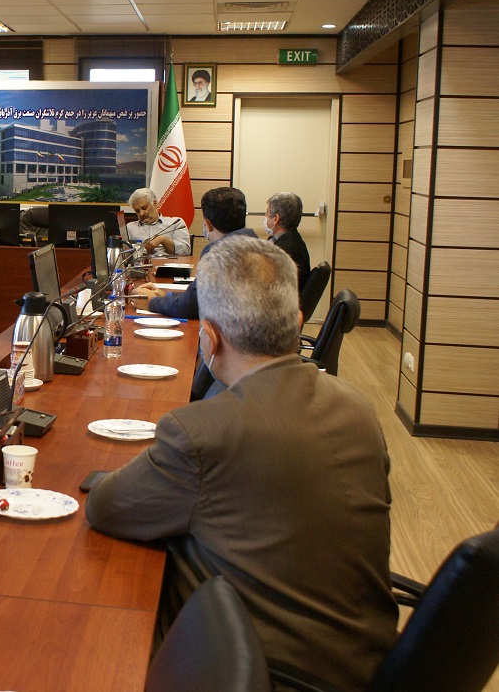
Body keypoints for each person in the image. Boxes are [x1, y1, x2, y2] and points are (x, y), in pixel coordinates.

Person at [86, 236, 396, 691]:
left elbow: (106, 507)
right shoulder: (358, 408)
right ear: (297, 322)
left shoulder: (203, 432)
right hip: (364, 660)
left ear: (209, 339)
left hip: (264, 671)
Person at [134, 186, 257, 319]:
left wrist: (152, 302)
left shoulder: (217, 254)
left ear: (207, 224)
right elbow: (201, 296)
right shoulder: (259, 245)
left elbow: (189, 307)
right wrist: (166, 295)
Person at [265, 191, 311, 295]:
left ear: (275, 219)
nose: (265, 216)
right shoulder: (291, 240)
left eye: (267, 213)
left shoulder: (286, 251)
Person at [125, 188, 191, 257]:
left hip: (167, 263)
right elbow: (124, 254)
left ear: (154, 204)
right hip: (140, 262)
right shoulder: (130, 228)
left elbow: (186, 251)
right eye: (137, 211)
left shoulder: (175, 223)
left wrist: (163, 239)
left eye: (144, 208)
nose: (141, 214)